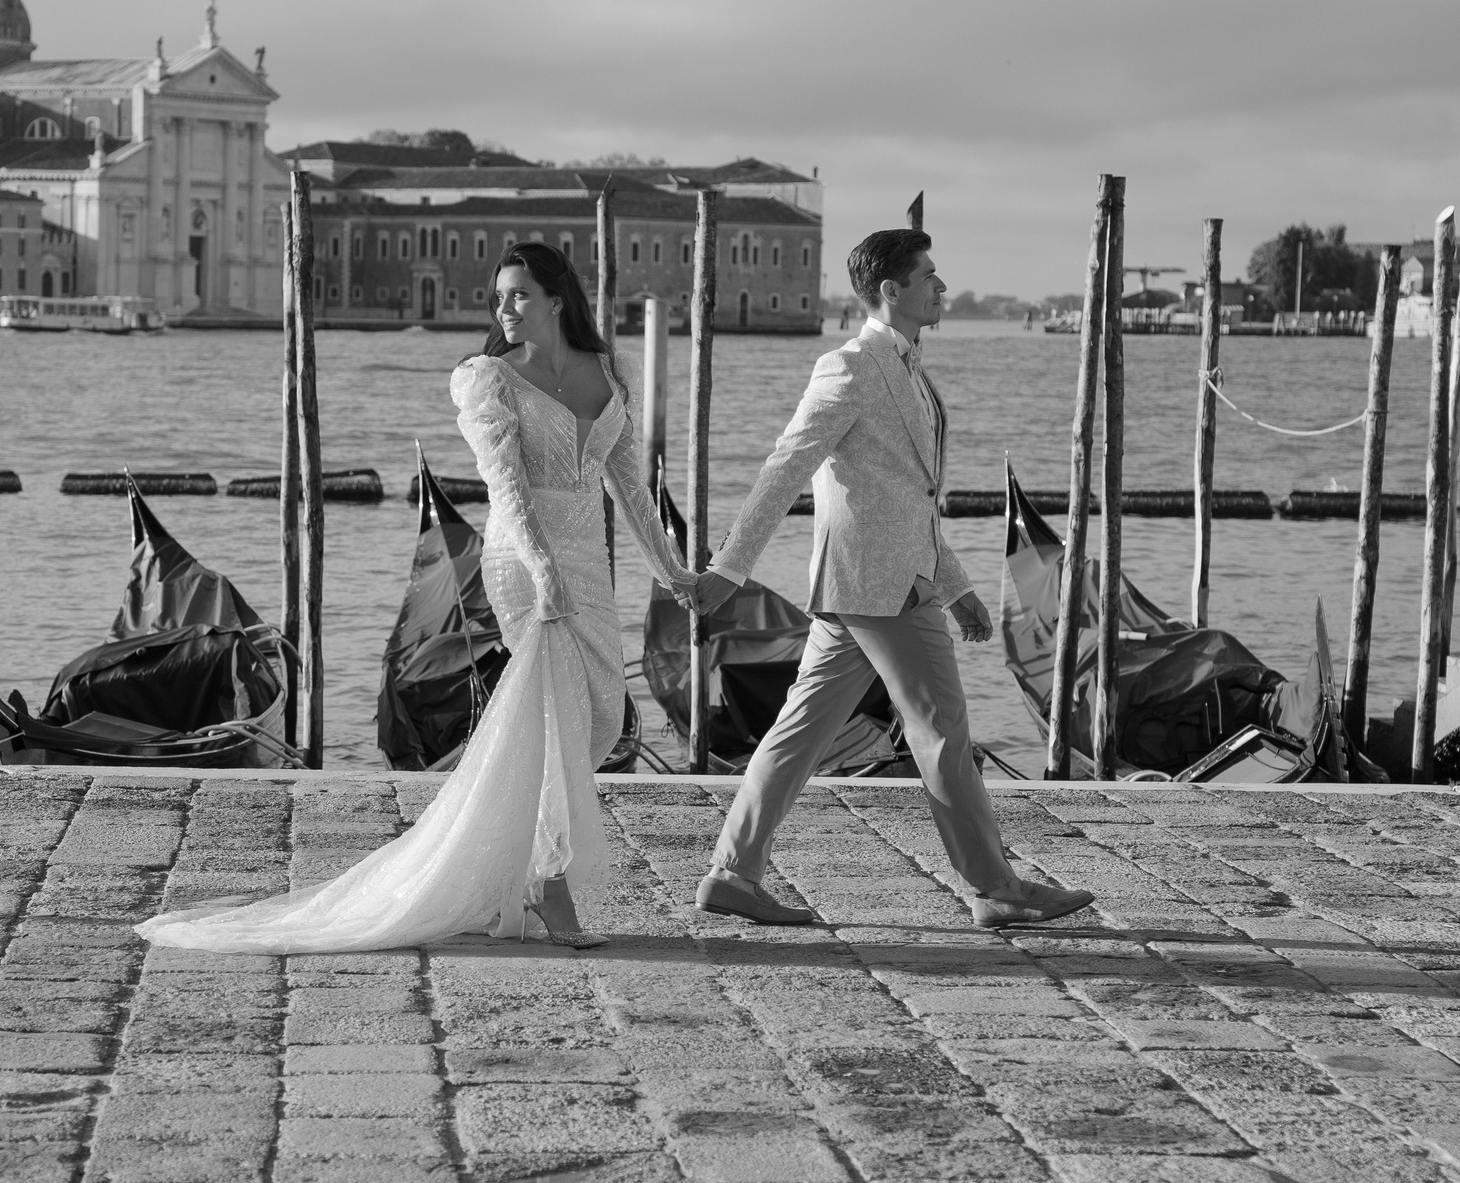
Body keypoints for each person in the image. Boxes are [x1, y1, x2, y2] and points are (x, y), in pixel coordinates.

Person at [139, 241, 693, 954]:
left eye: (519, 294)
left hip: (589, 563)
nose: (504, 309)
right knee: (555, 717)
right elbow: (508, 491)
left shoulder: (611, 373)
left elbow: (630, 487)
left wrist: (671, 568)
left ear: (558, 298)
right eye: (498, 297)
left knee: (601, 719)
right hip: (524, 564)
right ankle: (548, 884)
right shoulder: (488, 379)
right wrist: (543, 568)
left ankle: (516, 865)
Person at [690, 227, 1095, 931]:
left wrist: (959, 583)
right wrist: (730, 566)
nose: (941, 287)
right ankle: (994, 885)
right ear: (891, 291)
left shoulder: (910, 367)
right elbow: (784, 467)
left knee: (798, 731)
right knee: (941, 728)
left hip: (874, 582)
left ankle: (732, 873)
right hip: (879, 587)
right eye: (929, 277)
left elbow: (910, 497)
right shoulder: (848, 367)